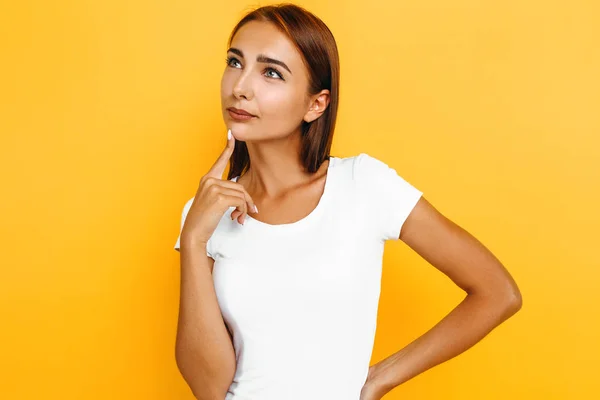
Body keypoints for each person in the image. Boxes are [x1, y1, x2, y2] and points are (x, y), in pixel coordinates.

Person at [173, 4, 522, 400]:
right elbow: (207, 387)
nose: (241, 86)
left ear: (315, 104)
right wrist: (194, 241)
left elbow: (498, 293)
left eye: (271, 72)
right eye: (235, 62)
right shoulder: (204, 213)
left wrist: (381, 378)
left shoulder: (363, 186)